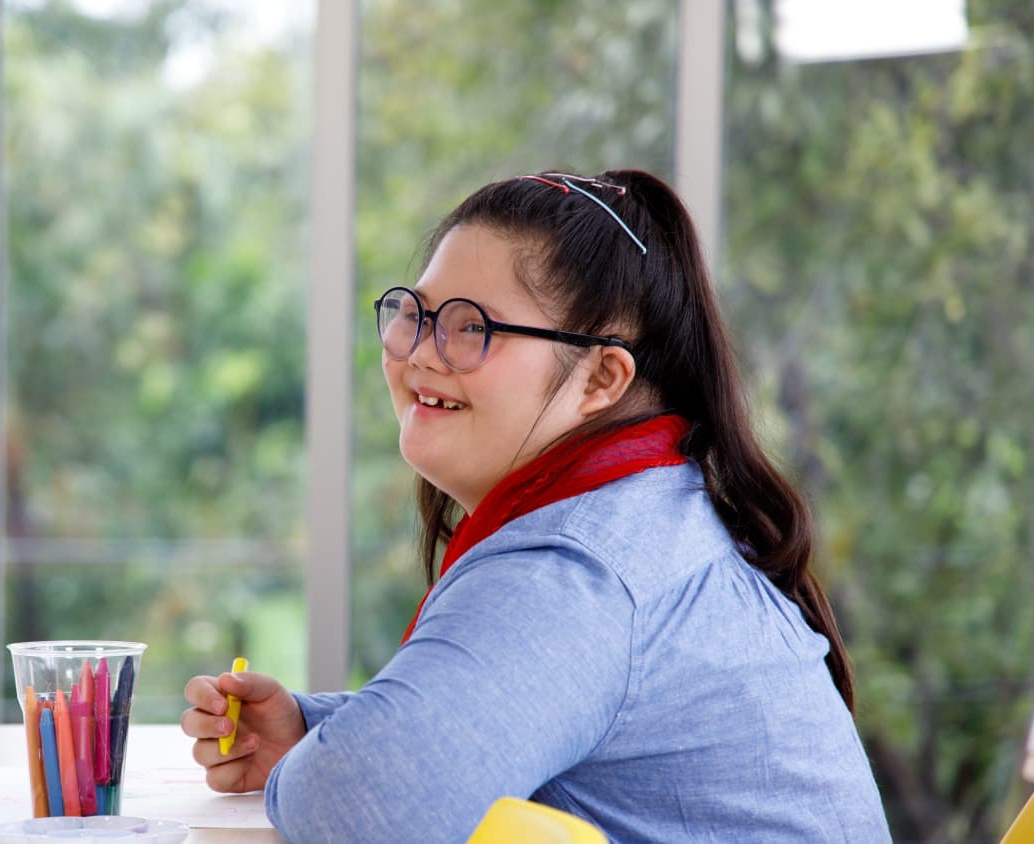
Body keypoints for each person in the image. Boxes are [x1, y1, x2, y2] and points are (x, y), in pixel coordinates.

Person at [180, 169, 891, 842]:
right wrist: (315, 730)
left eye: (471, 328)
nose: (422, 354)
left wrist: (330, 761)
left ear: (600, 377)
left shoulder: (578, 569)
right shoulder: (644, 513)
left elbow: (359, 806)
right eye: (416, 313)